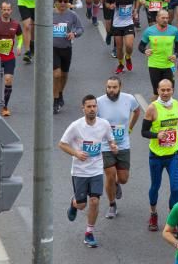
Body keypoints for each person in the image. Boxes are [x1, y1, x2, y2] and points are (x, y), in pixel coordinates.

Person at [59, 94, 118, 249]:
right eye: (89, 107)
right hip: (79, 171)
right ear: (83, 108)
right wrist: (76, 153)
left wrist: (113, 145)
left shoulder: (104, 124)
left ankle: (89, 232)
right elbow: (62, 144)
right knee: (81, 205)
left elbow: (110, 139)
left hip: (96, 170)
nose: (92, 109)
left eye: (94, 106)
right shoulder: (76, 126)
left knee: (95, 200)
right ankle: (73, 204)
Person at [141, 79, 178, 231]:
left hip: (173, 154)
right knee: (155, 186)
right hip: (156, 155)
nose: (166, 93)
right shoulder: (152, 108)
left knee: (175, 189)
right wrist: (156, 135)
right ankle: (153, 213)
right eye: (163, 90)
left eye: (168, 90)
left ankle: (172, 219)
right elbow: (144, 132)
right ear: (158, 90)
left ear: (172, 90)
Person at [96, 77, 141, 219]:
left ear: (120, 87)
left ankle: (117, 183)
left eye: (114, 87)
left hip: (123, 144)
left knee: (123, 178)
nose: (111, 90)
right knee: (110, 174)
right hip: (105, 146)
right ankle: (112, 204)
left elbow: (137, 111)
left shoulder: (129, 99)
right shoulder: (99, 102)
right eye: (109, 87)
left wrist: (131, 128)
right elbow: (93, 122)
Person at [52, 0, 84, 114]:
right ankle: (55, 101)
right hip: (52, 48)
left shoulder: (72, 15)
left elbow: (80, 29)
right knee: (56, 74)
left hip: (66, 48)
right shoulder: (49, 14)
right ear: (55, 2)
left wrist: (73, 34)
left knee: (64, 75)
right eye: (60, 1)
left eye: (65, 1)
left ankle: (60, 93)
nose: (63, 4)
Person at [139, 9, 178, 98]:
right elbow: (140, 46)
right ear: (157, 18)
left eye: (167, 18)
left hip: (169, 65)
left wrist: (175, 55)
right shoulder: (149, 31)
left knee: (169, 91)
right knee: (157, 92)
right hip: (154, 65)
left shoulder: (173, 30)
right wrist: (145, 51)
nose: (165, 20)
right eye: (163, 18)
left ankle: (167, 111)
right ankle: (154, 111)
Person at [105, 0, 139, 73]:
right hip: (117, 24)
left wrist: (136, 9)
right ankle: (120, 64)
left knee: (129, 45)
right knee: (119, 48)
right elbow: (107, 3)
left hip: (128, 23)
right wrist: (110, 6)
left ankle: (128, 57)